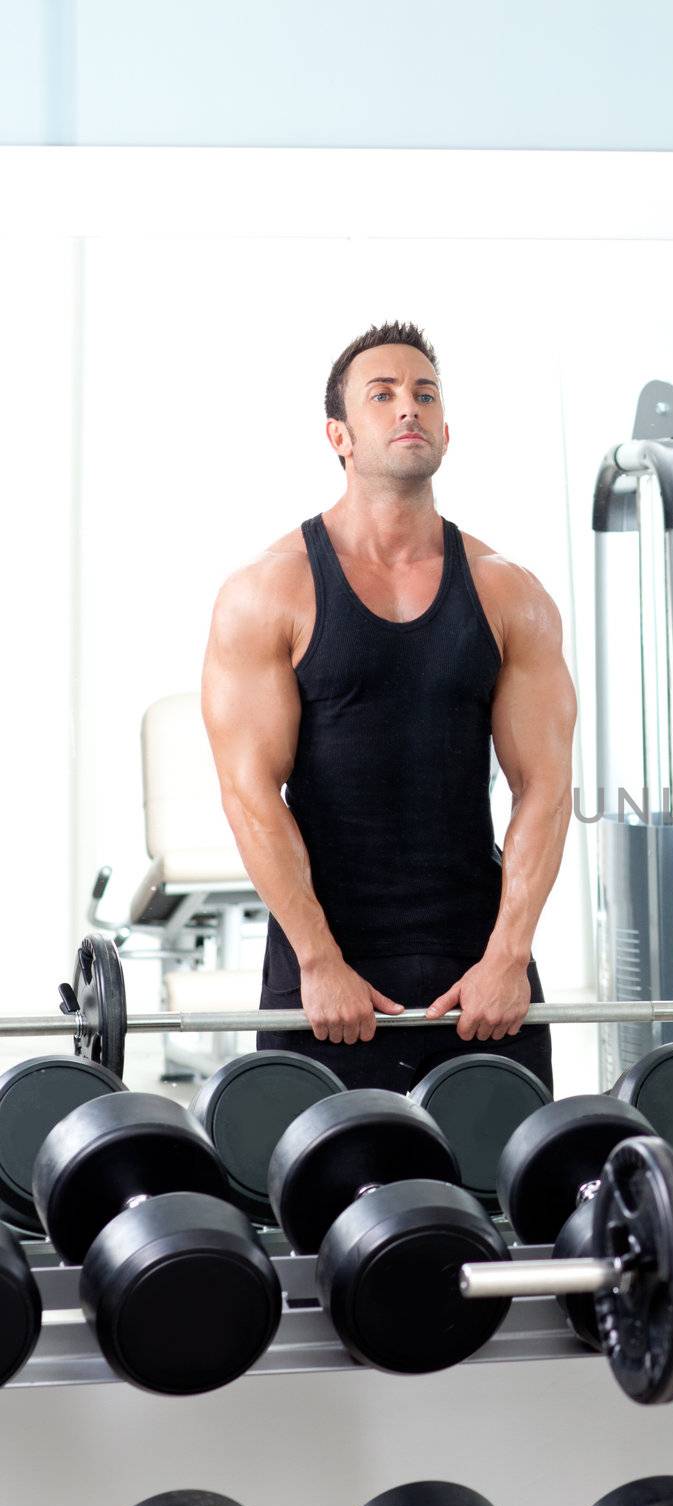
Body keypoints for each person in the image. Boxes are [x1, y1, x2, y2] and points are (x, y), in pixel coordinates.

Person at [202, 322, 575, 1092]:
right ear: (338, 434)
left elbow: (545, 787)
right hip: (325, 967)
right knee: (323, 1206)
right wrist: (317, 959)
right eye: (383, 394)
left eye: (424, 393)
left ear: (446, 429)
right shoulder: (269, 590)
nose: (408, 406)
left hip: (478, 970)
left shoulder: (511, 594)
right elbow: (249, 792)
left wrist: (507, 958)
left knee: (498, 1207)